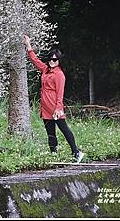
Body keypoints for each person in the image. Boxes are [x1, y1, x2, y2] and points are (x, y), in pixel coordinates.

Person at [23, 35, 85, 163]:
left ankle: (76, 152)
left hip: (55, 108)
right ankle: (54, 155)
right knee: (50, 133)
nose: (52, 61)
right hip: (45, 107)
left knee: (64, 129)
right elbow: (35, 60)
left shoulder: (59, 75)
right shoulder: (45, 70)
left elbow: (60, 93)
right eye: (51, 59)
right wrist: (28, 46)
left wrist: (58, 108)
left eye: (55, 60)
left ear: (59, 61)